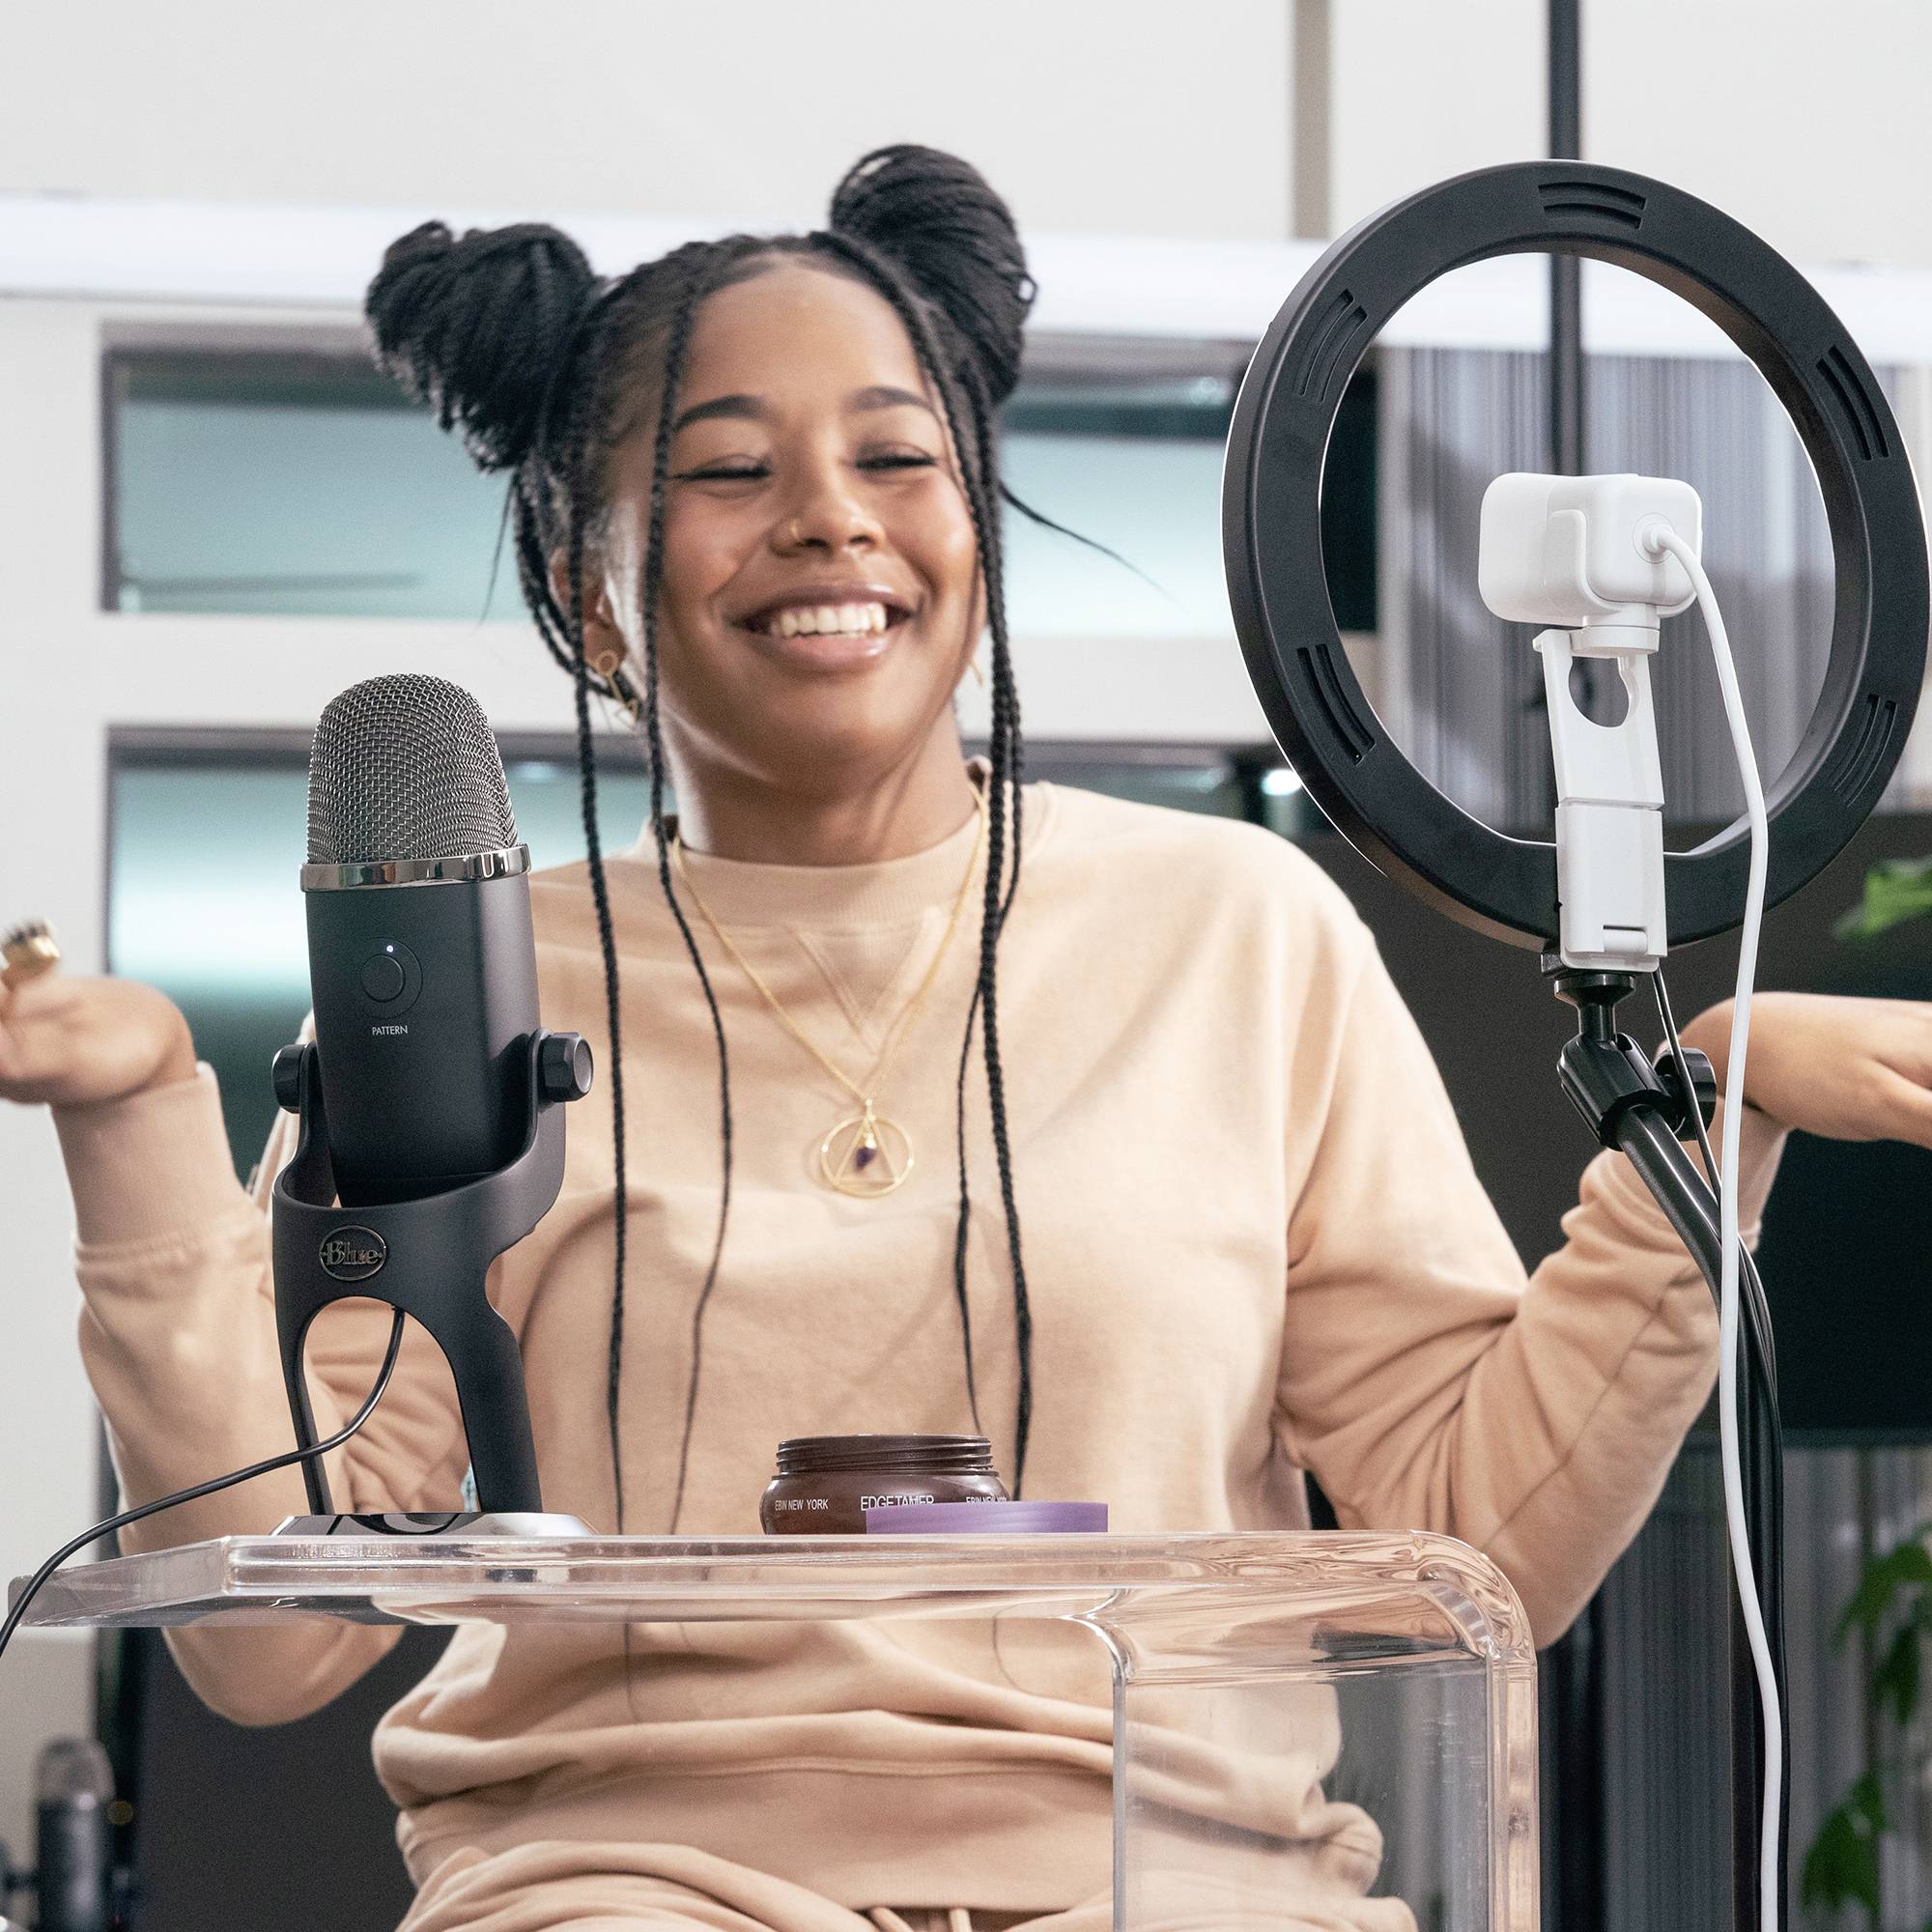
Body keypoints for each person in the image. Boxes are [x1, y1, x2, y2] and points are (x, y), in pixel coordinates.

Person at [5, 144, 1932, 1932]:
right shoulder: (475, 982)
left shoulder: (1234, 930)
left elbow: (1472, 1533)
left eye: (896, 456)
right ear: (584, 598)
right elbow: (279, 1637)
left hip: (1191, 1886)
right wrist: (132, 1124)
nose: (827, 516)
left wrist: (1708, 1129)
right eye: (726, 467)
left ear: (972, 540)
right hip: (629, 1888)